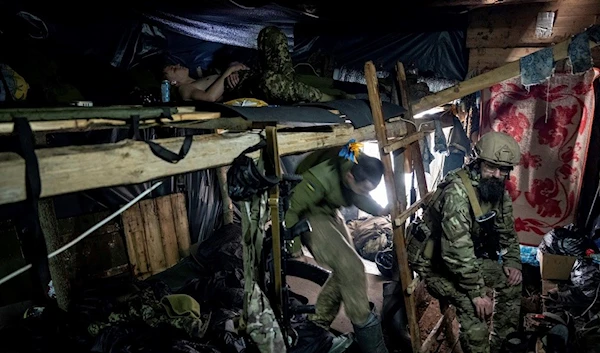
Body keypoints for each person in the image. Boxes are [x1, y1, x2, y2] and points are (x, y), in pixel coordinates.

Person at [407, 131, 523, 353]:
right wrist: (477, 293)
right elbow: (456, 252)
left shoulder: (497, 191)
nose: (497, 175)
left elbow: (506, 230)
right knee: (472, 306)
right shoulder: (457, 195)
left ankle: (502, 345)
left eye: (503, 170)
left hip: (463, 260)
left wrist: (512, 260)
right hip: (435, 264)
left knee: (512, 282)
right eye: (491, 167)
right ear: (477, 163)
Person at [283, 142, 390, 353]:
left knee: (347, 270)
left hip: (330, 209)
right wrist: (295, 249)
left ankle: (317, 323)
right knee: (352, 269)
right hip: (310, 214)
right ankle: (370, 338)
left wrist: (380, 210)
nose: (366, 192)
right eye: (365, 187)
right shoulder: (318, 178)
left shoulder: (355, 158)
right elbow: (291, 210)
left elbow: (359, 195)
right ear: (350, 177)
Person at [162, 62, 249, 102]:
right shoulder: (184, 89)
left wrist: (233, 70)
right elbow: (209, 97)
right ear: (173, 82)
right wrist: (231, 70)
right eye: (173, 69)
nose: (178, 65)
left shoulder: (196, 80)